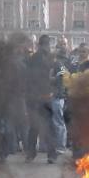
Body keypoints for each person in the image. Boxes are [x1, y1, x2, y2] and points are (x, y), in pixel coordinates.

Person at [24, 34, 60, 163]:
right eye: (47, 44)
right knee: (45, 126)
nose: (47, 47)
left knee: (37, 126)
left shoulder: (35, 58)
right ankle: (49, 155)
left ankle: (32, 154)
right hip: (41, 96)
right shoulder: (44, 58)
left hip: (38, 97)